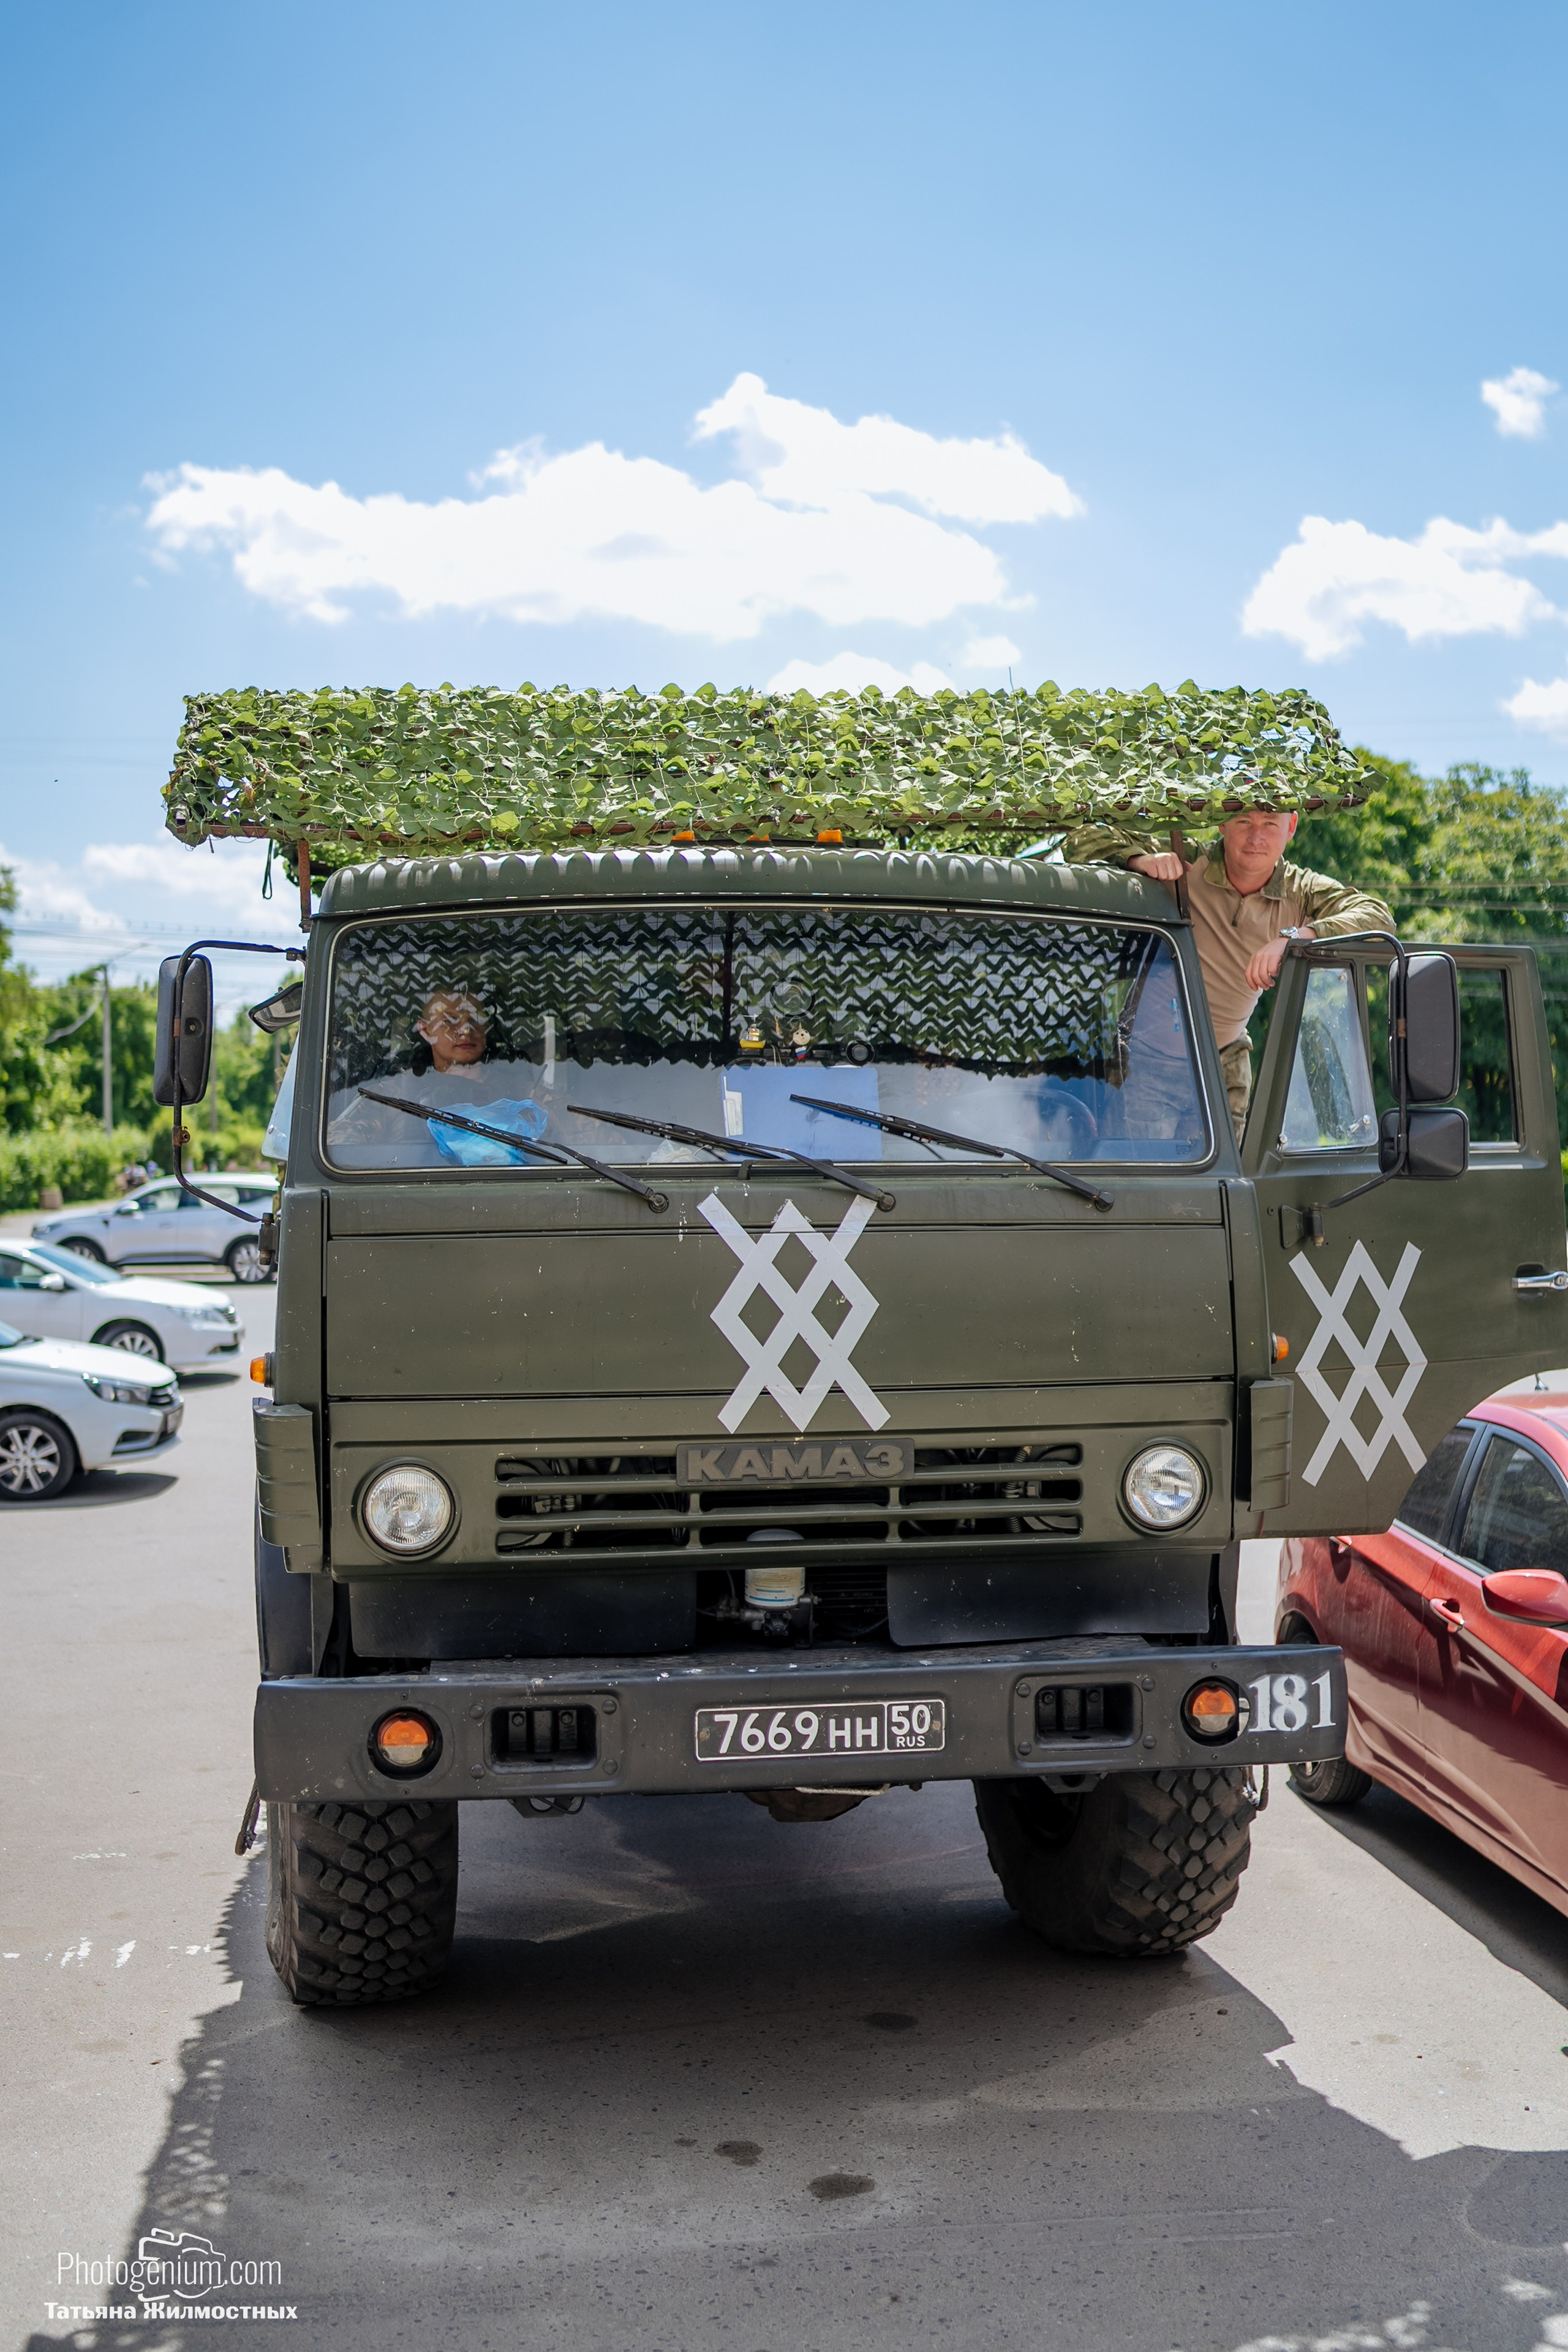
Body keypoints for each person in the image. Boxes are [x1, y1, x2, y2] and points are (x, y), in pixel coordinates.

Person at [1066, 806, 1394, 1142]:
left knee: (1223, 1188)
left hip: (1224, 1066)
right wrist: (1139, 860)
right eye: (1244, 822)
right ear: (1222, 823)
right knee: (1146, 1186)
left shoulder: (1301, 891)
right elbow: (1082, 838)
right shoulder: (1190, 859)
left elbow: (1378, 918)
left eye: (1270, 824)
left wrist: (1294, 939)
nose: (1256, 837)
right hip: (1149, 1064)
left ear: (1291, 826)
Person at [414, 988, 489, 1073]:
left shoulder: (506, 1081)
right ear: (425, 1031)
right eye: (449, 1021)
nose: (466, 1031)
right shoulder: (403, 1084)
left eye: (476, 1020)